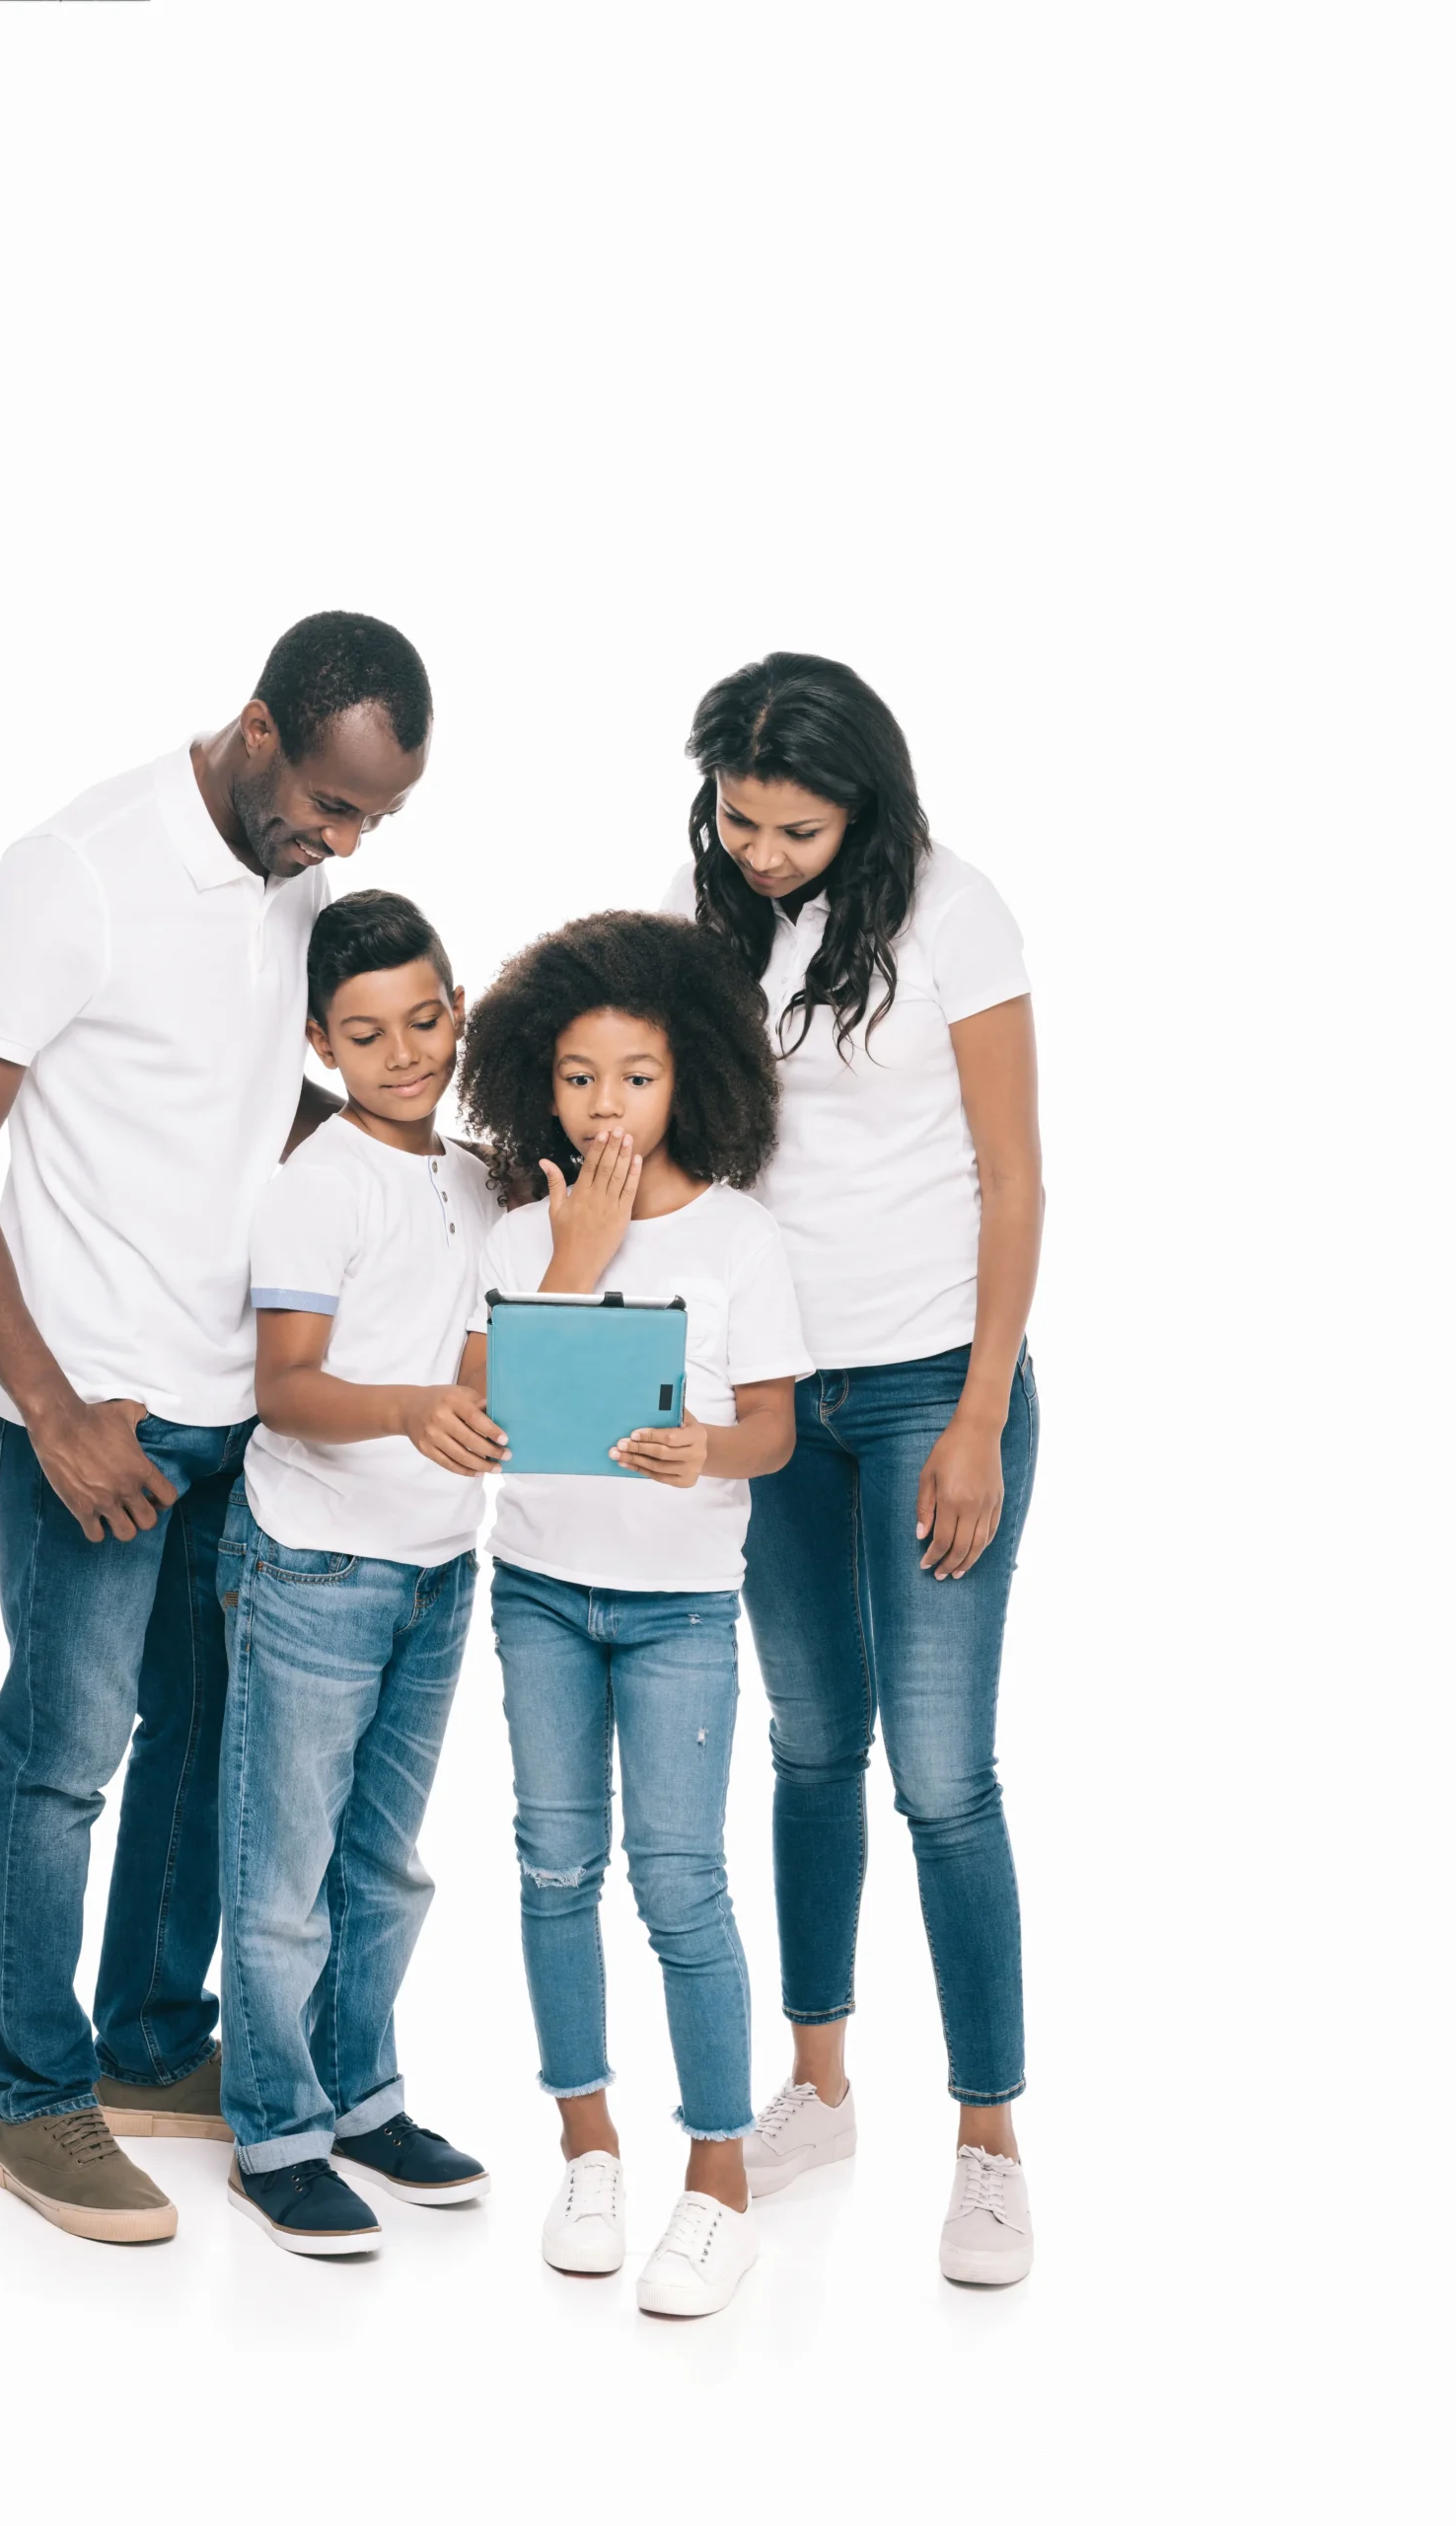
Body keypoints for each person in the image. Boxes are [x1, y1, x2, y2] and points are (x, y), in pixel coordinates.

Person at [0, 613, 432, 2245]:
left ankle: (140, 2045)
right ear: (259, 727)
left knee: (202, 1747)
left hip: (234, 1407)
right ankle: (33, 2104)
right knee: (59, 1759)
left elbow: (252, 1095)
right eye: (332, 806)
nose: (344, 844)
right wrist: (49, 1411)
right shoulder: (80, 872)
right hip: (96, 1415)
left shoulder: (292, 885)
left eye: (374, 824)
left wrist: (427, 1146)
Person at [666, 652, 1044, 2285]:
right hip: (777, 1398)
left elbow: (1015, 1182)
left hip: (924, 1393)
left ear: (863, 808)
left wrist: (974, 1416)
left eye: (793, 829)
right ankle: (815, 2092)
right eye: (737, 821)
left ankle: (987, 2143)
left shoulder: (956, 916)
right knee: (809, 1748)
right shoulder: (722, 915)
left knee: (940, 1777)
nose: (758, 851)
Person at [456, 914, 811, 2319]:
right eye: (579, 1075)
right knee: (552, 1869)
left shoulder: (739, 1237)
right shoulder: (516, 1229)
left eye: (638, 1075)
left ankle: (716, 2184)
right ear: (539, 1085)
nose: (607, 1105)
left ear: (690, 1079)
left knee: (679, 1884)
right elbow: (482, 1410)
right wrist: (575, 1254)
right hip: (539, 1591)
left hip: (676, 1612)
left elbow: (774, 1430)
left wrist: (704, 1450)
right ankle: (585, 2148)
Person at [216, 890, 504, 2255]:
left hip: (439, 1567)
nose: (406, 1053)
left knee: (382, 1868)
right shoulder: (315, 1184)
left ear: (458, 1010)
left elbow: (473, 1359)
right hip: (317, 1568)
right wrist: (402, 1411)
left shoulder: (472, 1178)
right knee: (283, 1875)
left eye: (427, 1019)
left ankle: (359, 2095)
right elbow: (283, 1391)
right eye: (369, 1033)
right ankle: (274, 2130)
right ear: (323, 1045)